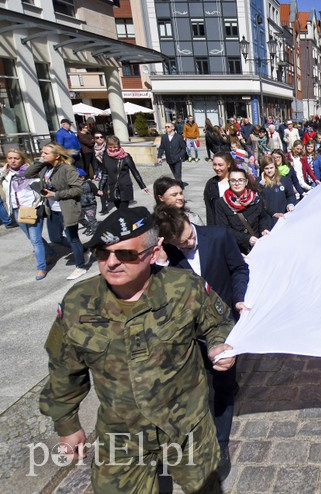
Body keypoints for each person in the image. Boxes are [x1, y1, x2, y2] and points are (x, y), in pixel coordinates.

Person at [39, 207, 236, 493]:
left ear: (154, 252)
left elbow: (219, 321)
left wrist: (219, 343)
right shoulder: (79, 303)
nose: (112, 263)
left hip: (187, 427)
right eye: (102, 253)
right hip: (122, 433)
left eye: (126, 254)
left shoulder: (185, 288)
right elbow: (63, 368)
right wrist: (67, 424)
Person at [152, 204, 248, 480]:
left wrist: (239, 299)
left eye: (189, 237)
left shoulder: (218, 236)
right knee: (193, 389)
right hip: (186, 333)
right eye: (181, 244)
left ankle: (220, 445)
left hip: (222, 325)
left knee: (223, 386)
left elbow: (239, 269)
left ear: (188, 220)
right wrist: (159, 263)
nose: (189, 243)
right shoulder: (165, 253)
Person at [26, 143, 89, 280]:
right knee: (55, 238)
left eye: (46, 153)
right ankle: (83, 250)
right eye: (42, 153)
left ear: (57, 155)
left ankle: (81, 266)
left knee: (73, 238)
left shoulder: (67, 169)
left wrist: (55, 195)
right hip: (52, 209)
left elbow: (78, 189)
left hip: (67, 209)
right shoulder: (45, 168)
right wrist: (41, 162)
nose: (42, 155)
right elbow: (28, 173)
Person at [1, 148, 56, 279]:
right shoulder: (6, 174)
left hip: (32, 208)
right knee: (32, 237)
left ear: (22, 159)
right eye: (10, 158)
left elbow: (41, 186)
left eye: (16, 158)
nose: (13, 161)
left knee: (35, 240)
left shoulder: (30, 171)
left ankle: (41, 268)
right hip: (16, 209)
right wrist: (3, 171)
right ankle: (51, 252)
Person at [214, 167, 272, 254]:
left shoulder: (256, 199)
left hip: (256, 246)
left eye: (241, 180)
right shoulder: (221, 203)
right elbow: (224, 228)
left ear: (246, 182)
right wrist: (247, 239)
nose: (237, 183)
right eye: (233, 180)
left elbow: (263, 218)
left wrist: (264, 229)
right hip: (235, 249)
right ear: (229, 182)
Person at [98, 136, 149, 210]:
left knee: (123, 209)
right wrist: (100, 188)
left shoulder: (126, 157)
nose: (113, 149)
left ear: (119, 145)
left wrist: (143, 186)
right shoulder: (105, 157)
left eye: (115, 147)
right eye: (110, 147)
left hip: (125, 187)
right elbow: (105, 173)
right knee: (119, 210)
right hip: (112, 187)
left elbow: (135, 172)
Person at [203, 152, 235, 226]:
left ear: (228, 164)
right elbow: (210, 210)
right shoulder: (211, 184)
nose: (217, 168)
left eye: (220, 165)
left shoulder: (238, 180)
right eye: (214, 164)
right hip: (220, 226)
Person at [76, 168, 99, 236]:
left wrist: (100, 193)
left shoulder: (89, 184)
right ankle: (89, 227)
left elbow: (96, 191)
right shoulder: (75, 186)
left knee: (92, 219)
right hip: (80, 205)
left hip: (90, 205)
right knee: (79, 218)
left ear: (82, 177)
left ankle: (96, 232)